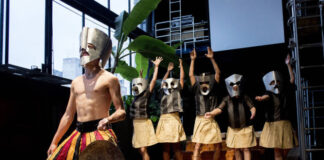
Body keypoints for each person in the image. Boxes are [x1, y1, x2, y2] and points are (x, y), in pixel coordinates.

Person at [47, 27, 126, 160]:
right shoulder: (76, 82)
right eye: (81, 47)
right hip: (78, 133)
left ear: (99, 51)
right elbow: (68, 115)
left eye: (89, 46)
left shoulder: (110, 79)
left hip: (100, 132)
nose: (83, 50)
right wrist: (54, 142)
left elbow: (121, 112)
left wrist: (108, 119)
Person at [255, 54, 298, 160]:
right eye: (273, 82)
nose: (276, 84)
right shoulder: (269, 94)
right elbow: (266, 96)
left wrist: (288, 65)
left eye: (277, 81)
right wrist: (261, 98)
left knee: (286, 149)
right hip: (273, 125)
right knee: (277, 150)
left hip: (285, 124)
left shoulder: (284, 92)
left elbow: (292, 80)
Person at [205, 74, 257, 160]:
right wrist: (211, 113)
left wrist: (253, 112)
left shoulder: (244, 97)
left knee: (246, 148)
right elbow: (219, 108)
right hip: (233, 128)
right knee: (236, 149)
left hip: (245, 127)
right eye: (233, 85)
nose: (235, 87)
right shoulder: (227, 99)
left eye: (237, 84)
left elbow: (252, 107)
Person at [189, 47, 222, 160]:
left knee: (218, 145)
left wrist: (212, 59)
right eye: (201, 82)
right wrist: (192, 60)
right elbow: (191, 75)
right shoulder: (196, 88)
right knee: (198, 145)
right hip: (200, 118)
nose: (204, 84)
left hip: (211, 118)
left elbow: (217, 73)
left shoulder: (213, 87)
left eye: (206, 82)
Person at [130, 57, 163, 160]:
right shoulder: (135, 97)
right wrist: (140, 77)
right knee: (140, 149)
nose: (136, 86)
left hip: (143, 123)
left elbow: (153, 80)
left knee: (143, 150)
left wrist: (156, 66)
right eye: (135, 84)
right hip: (136, 123)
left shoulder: (146, 94)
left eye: (139, 84)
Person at [155, 60, 186, 160]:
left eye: (172, 83)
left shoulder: (178, 90)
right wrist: (168, 71)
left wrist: (181, 67)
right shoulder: (163, 91)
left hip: (174, 118)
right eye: (167, 84)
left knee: (177, 147)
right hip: (164, 118)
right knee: (166, 148)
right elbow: (163, 82)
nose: (169, 85)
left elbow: (181, 78)